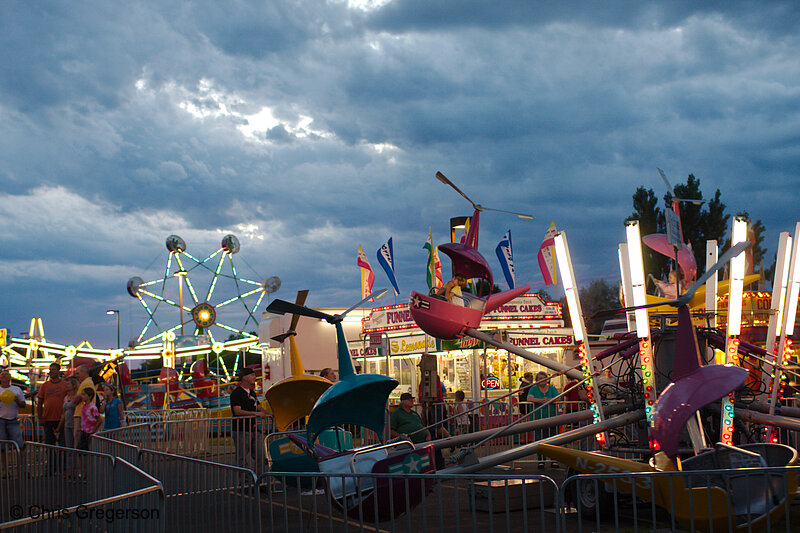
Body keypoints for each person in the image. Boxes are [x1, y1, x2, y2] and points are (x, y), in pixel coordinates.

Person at [230, 368, 267, 472]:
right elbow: (237, 411)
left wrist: (268, 413)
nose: (254, 377)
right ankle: (244, 482)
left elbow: (258, 406)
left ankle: (259, 480)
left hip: (254, 428)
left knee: (260, 455)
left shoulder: (252, 392)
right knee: (242, 457)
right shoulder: (236, 393)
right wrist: (256, 414)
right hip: (241, 429)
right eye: (252, 375)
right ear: (245, 377)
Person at [527, 371, 559, 468]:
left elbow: (558, 398)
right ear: (536, 381)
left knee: (553, 440)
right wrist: (541, 401)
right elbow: (529, 398)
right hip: (538, 419)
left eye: (544, 378)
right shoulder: (533, 389)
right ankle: (541, 460)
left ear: (548, 379)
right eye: (540, 378)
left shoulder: (552, 389)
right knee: (539, 440)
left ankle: (554, 460)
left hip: (552, 418)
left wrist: (548, 400)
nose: (543, 380)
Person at [36, 362, 71, 446]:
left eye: (54, 370)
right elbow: (40, 402)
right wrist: (40, 417)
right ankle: (51, 459)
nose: (51, 372)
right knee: (49, 443)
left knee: (63, 443)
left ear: (59, 371)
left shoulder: (64, 385)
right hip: (48, 419)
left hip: (61, 419)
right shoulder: (45, 386)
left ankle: (61, 459)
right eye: (50, 370)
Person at [1, 369, 25, 477]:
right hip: (1, 420)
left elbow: (23, 404)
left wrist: (16, 400)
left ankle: (21, 469)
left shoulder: (16, 389)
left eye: (6, 374)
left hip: (13, 421)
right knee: (2, 447)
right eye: (2, 375)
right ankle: (5, 470)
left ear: (10, 377)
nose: (4, 376)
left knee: (19, 445)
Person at [72, 365, 96, 447]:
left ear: (83, 372)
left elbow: (76, 400)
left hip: (80, 415)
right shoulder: (88, 382)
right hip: (84, 415)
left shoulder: (85, 383)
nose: (76, 375)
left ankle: (79, 458)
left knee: (78, 440)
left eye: (77, 373)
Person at [57, 377, 80, 448]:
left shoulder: (77, 396)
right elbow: (64, 413)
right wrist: (59, 426)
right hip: (67, 424)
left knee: (75, 444)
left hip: (75, 423)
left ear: (74, 386)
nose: (66, 386)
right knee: (68, 445)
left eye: (68, 384)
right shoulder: (66, 397)